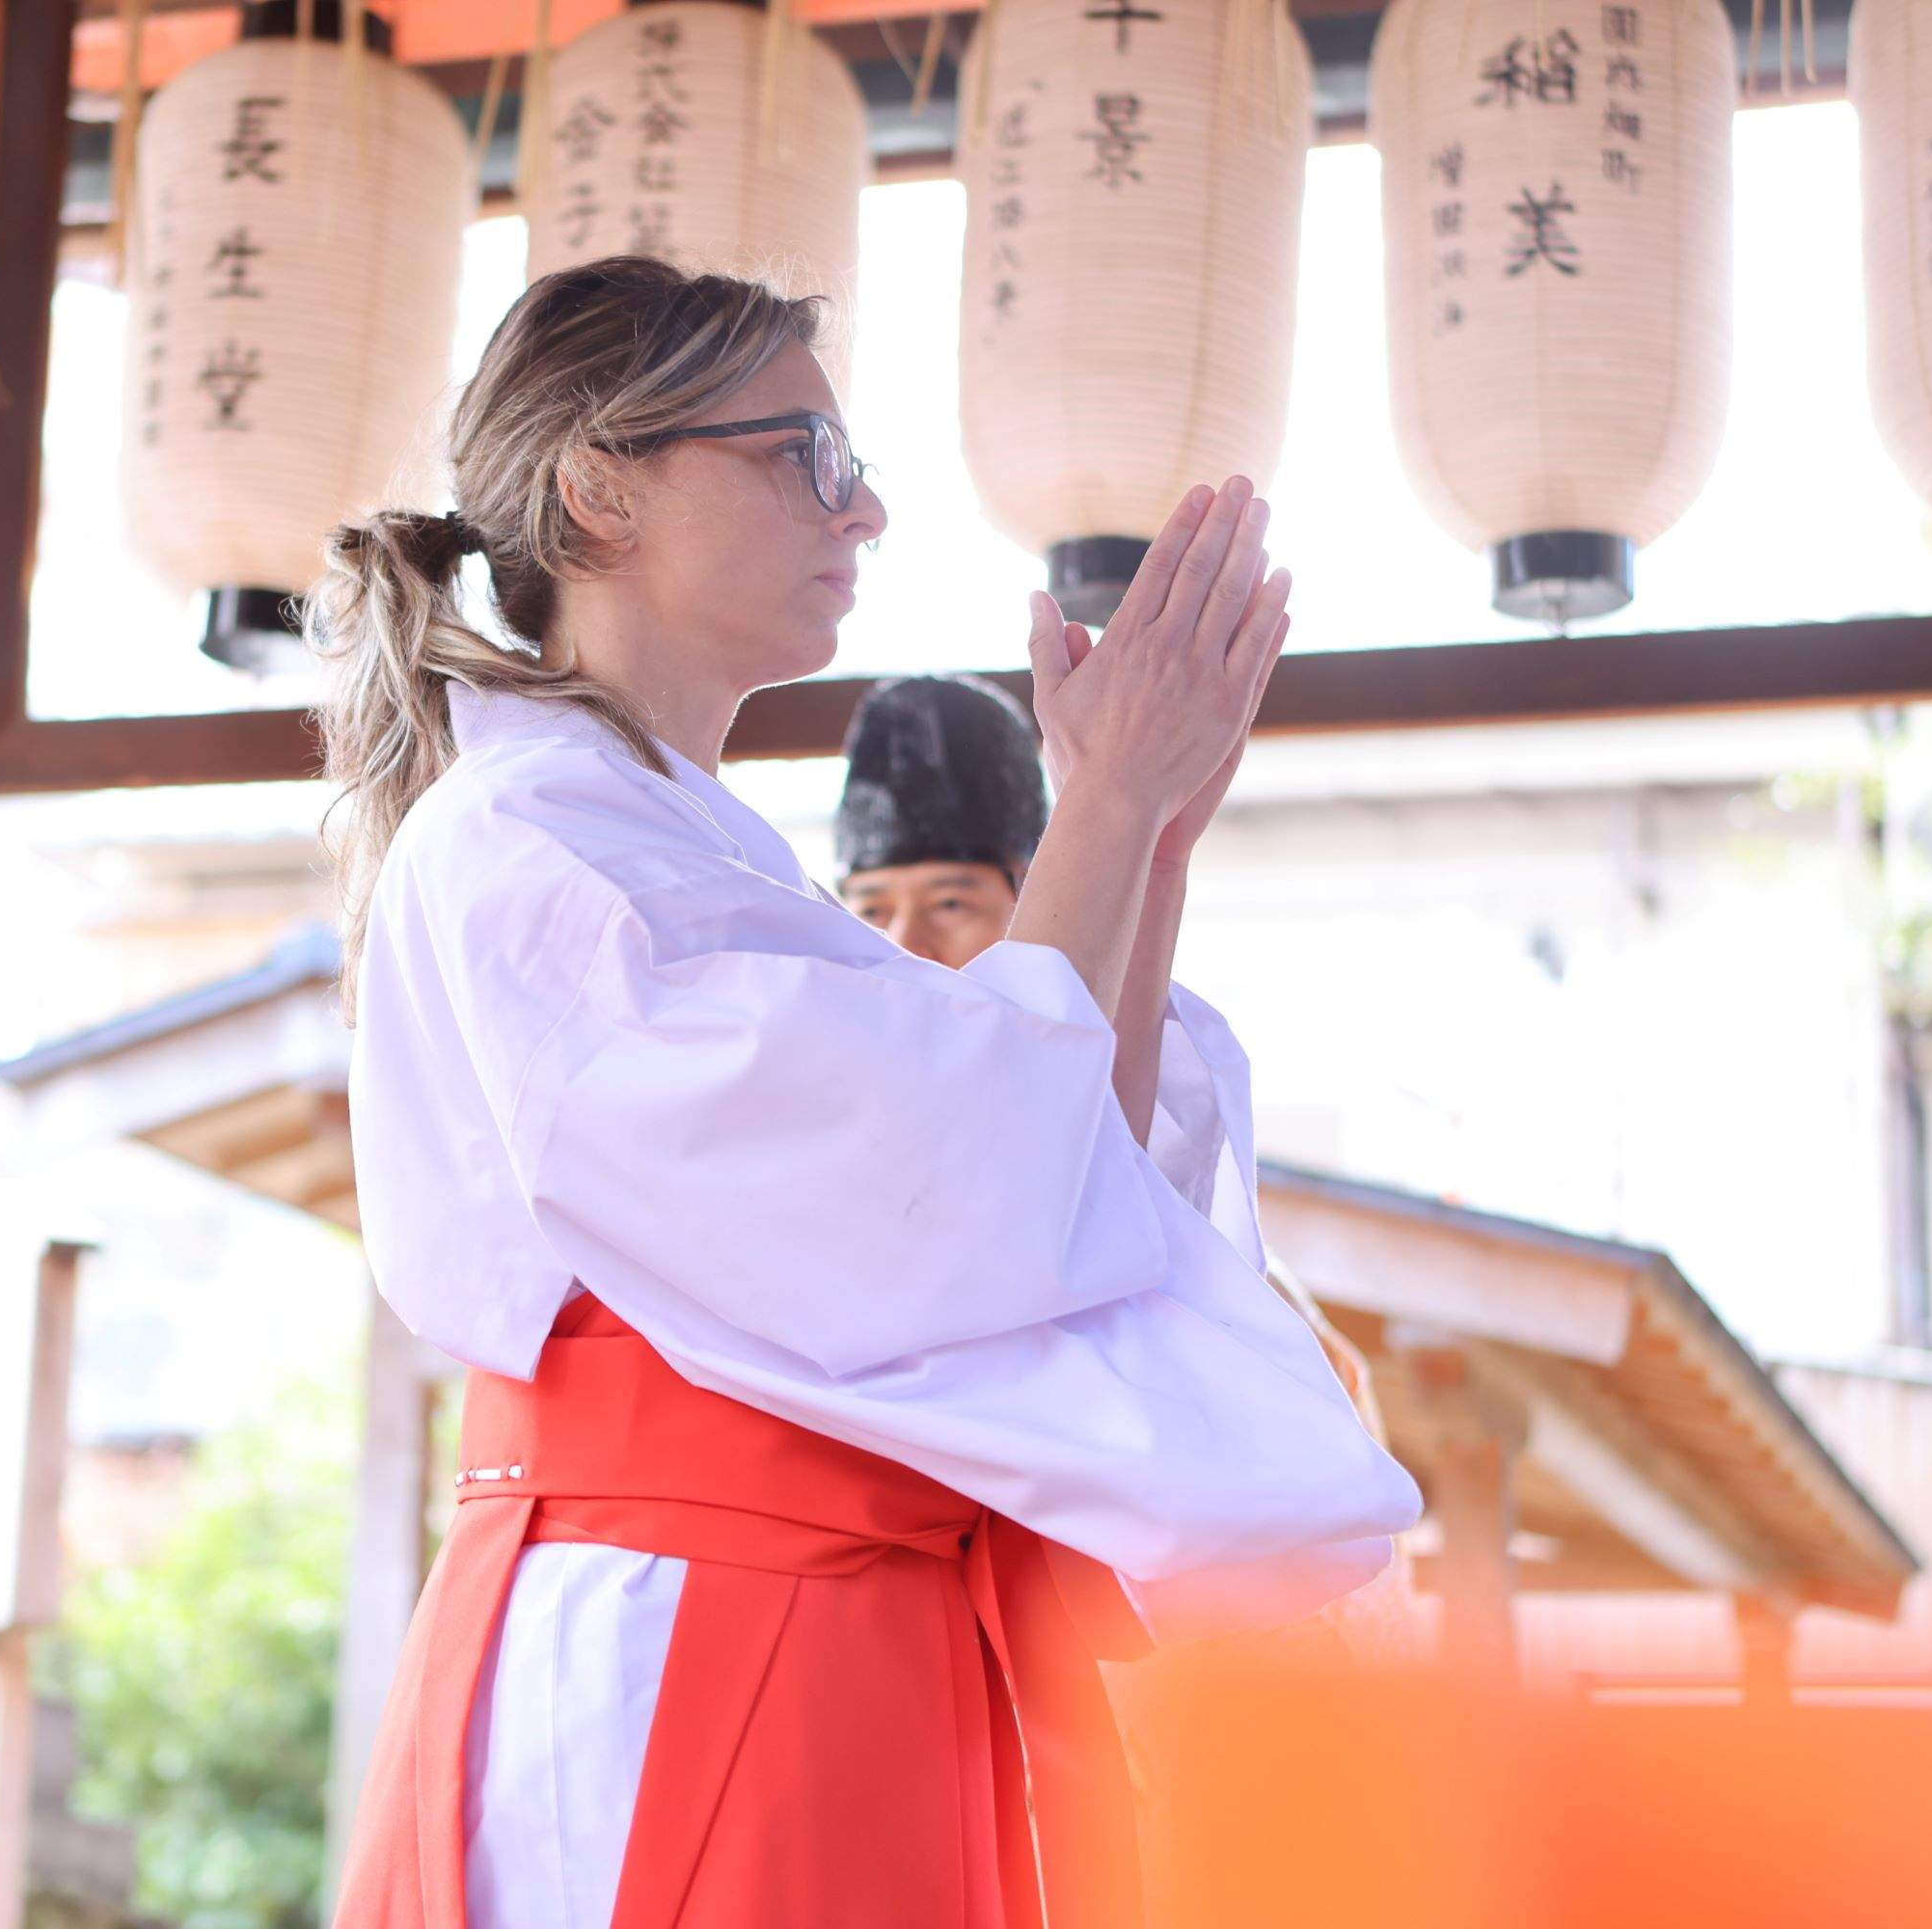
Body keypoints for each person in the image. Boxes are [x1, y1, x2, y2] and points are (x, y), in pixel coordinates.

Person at [311, 256, 1421, 1929]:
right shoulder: (537, 843)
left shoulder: (672, 845)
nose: (868, 509)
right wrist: (1103, 810)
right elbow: (957, 1189)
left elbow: (1053, 1192)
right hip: (682, 1621)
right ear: (603, 486)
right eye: (807, 459)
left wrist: (1151, 832)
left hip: (821, 1606)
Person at [836, 674, 1387, 1440]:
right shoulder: (827, 1113)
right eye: (870, 909)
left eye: (952, 903)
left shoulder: (1144, 1072)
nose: (906, 942)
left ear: (1038, 896)